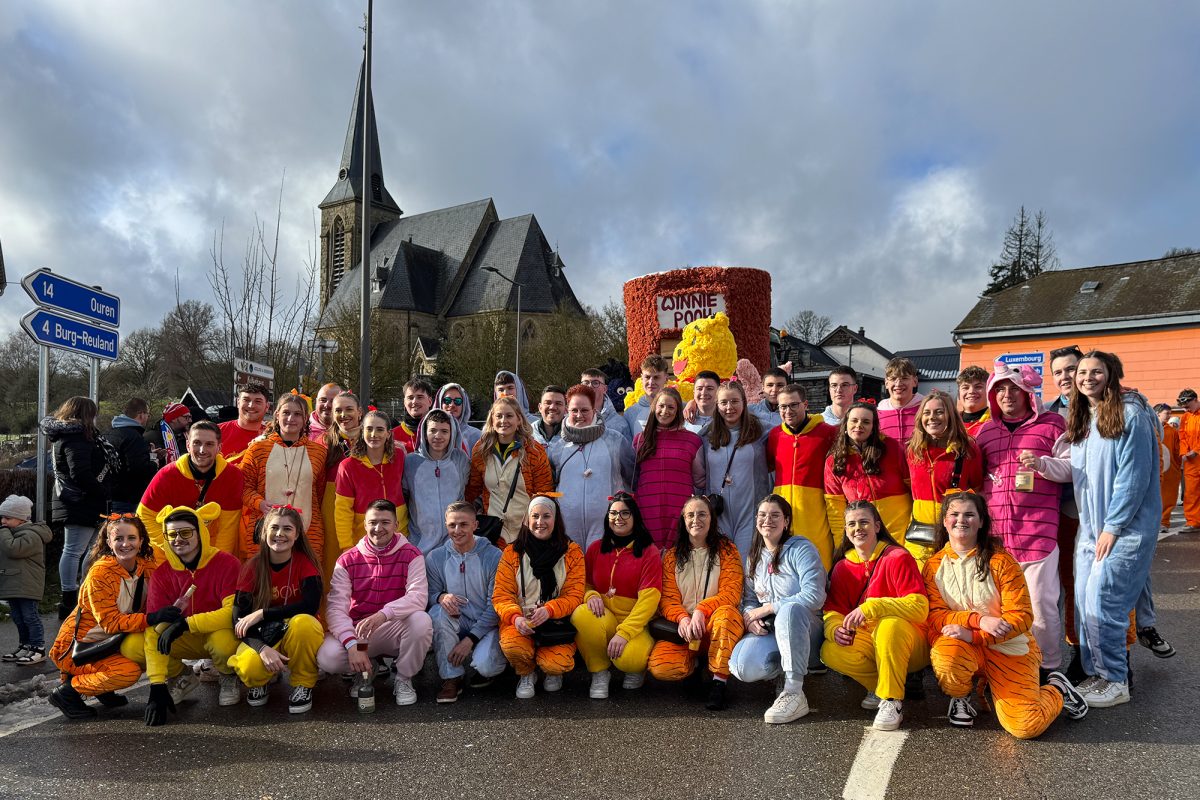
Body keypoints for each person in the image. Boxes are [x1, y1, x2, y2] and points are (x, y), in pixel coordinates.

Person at [1023, 352, 1164, 707]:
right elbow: (1076, 470)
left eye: (1093, 371)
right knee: (1085, 606)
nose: (1085, 377)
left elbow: (1134, 478)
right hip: (1090, 528)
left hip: (1122, 529)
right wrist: (1041, 464)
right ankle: (1099, 674)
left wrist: (1113, 527)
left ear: (1111, 374)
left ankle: (1117, 680)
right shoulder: (1086, 417)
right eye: (1081, 372)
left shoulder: (1132, 414)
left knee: (1105, 604)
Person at [924, 492, 1088, 736]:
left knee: (1025, 727)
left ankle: (1056, 690)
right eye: (954, 515)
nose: (962, 520)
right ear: (945, 521)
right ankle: (960, 696)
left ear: (981, 522)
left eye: (970, 514)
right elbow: (936, 615)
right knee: (946, 654)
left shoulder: (1001, 562)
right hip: (964, 647)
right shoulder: (933, 566)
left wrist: (976, 636)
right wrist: (978, 621)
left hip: (1009, 649)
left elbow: (1021, 617)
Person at [975, 359, 1066, 676]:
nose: (1006, 395)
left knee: (1041, 607)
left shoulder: (1053, 424)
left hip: (1038, 536)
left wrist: (1043, 465)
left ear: (1028, 391)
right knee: (997, 608)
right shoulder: (984, 432)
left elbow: (1071, 470)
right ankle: (1006, 668)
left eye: (1013, 388)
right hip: (997, 540)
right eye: (999, 389)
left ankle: (1049, 667)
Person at [821, 501, 929, 731]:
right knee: (830, 650)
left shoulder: (898, 557)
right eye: (851, 524)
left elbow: (920, 607)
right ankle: (885, 685)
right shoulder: (842, 567)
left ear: (877, 526)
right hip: (872, 643)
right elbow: (833, 612)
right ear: (847, 531)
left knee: (889, 626)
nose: (858, 528)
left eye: (864, 522)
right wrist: (834, 629)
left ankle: (891, 700)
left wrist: (873, 607)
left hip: (910, 643)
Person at [316, 500, 432, 707]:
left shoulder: (412, 554)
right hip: (359, 632)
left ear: (396, 525)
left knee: (421, 621)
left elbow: (418, 597)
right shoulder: (347, 559)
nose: (378, 529)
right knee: (327, 657)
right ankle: (365, 669)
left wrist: (384, 614)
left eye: (385, 522)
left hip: (392, 627)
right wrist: (352, 644)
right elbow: (335, 608)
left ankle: (404, 678)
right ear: (365, 524)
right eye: (373, 522)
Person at [46, 515, 163, 719]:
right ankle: (68, 692)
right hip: (80, 647)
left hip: (111, 643)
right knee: (129, 672)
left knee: (150, 650)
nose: (125, 544)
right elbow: (110, 623)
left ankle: (102, 688)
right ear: (108, 542)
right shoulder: (100, 573)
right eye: (118, 539)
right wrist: (152, 619)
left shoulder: (148, 568)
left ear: (142, 540)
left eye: (132, 538)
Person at [728, 494, 826, 724]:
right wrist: (750, 617)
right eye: (762, 515)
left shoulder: (801, 549)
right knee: (742, 666)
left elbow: (814, 596)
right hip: (773, 630)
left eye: (775, 515)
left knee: (790, 610)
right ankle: (783, 672)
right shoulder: (754, 557)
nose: (767, 520)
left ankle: (794, 691)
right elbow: (750, 599)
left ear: (786, 522)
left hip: (808, 629)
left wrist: (769, 608)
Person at [143, 503, 242, 725]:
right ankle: (182, 676)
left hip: (217, 633)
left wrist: (186, 623)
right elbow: (154, 628)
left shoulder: (227, 563)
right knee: (138, 644)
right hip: (185, 639)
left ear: (200, 532)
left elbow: (231, 614)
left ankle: (228, 676)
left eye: (186, 532)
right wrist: (156, 685)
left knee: (223, 643)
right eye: (172, 534)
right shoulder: (162, 574)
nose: (178, 539)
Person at [649, 496, 745, 710]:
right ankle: (693, 666)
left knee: (728, 615)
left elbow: (731, 593)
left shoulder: (727, 550)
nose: (696, 520)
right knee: (661, 667)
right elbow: (668, 599)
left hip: (714, 626)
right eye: (690, 515)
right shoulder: (673, 556)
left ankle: (718, 681)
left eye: (702, 514)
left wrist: (702, 610)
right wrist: (682, 618)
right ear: (683, 520)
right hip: (684, 630)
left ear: (711, 519)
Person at [226, 505, 324, 714]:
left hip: (294, 631)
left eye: (287, 529)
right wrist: (261, 649)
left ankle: (303, 684)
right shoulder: (252, 567)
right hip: (264, 635)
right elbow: (238, 620)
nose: (280, 534)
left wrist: (262, 613)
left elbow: (310, 606)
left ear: (297, 535)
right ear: (265, 532)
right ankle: (263, 679)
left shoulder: (306, 564)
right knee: (249, 669)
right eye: (274, 528)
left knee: (305, 623)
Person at [493, 495, 586, 698]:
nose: (540, 522)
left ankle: (551, 670)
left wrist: (550, 609)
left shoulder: (572, 552)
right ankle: (526, 672)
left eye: (546, 516)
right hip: (521, 620)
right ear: (527, 519)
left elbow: (575, 595)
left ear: (556, 520)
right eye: (534, 516)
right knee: (513, 646)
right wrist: (515, 618)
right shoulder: (512, 552)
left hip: (556, 622)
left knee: (556, 663)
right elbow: (502, 595)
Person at [572, 491, 662, 699]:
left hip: (635, 625)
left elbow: (649, 600)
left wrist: (625, 632)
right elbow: (582, 584)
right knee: (581, 614)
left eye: (625, 513)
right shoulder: (595, 549)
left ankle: (635, 669)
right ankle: (600, 672)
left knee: (628, 659)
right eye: (613, 513)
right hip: (605, 618)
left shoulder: (649, 552)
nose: (618, 518)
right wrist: (591, 595)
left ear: (635, 517)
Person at [426, 503, 506, 702]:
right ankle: (452, 677)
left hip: (486, 624)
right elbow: (429, 594)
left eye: (463, 524)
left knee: (486, 665)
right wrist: (440, 597)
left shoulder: (494, 556)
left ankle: (496, 668)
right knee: (436, 613)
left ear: (475, 525)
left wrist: (470, 639)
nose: (457, 530)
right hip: (457, 620)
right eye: (452, 525)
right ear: (446, 525)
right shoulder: (435, 557)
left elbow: (496, 604)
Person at [41, 396, 109, 619]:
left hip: (76, 500)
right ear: (86, 414)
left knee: (85, 550)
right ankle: (70, 598)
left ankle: (78, 594)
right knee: (75, 550)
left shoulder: (65, 436)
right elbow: (79, 472)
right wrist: (101, 491)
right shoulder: (77, 437)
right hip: (80, 501)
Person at [239, 394, 328, 562]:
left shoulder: (319, 452)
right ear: (277, 415)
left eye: (297, 414)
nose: (291, 418)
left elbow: (319, 492)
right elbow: (243, 487)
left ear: (305, 419)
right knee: (264, 580)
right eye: (286, 413)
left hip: (309, 530)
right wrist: (260, 503)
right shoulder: (257, 449)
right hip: (266, 528)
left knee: (307, 581)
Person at [138, 420, 244, 559]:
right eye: (197, 443)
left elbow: (227, 529)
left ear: (219, 448)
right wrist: (171, 548)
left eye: (209, 444)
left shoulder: (232, 476)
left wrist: (215, 562)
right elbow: (145, 516)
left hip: (211, 552)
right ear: (188, 445)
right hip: (170, 554)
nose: (202, 450)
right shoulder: (167, 475)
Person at [547, 384, 634, 550]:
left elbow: (631, 478)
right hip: (568, 527)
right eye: (574, 410)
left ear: (594, 410)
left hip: (607, 525)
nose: (579, 415)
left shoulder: (615, 441)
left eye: (585, 410)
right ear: (567, 411)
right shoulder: (557, 448)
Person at [905, 391, 983, 567]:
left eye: (939, 412)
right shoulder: (913, 451)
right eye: (927, 413)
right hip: (919, 536)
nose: (932, 417)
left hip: (956, 535)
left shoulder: (968, 451)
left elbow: (978, 491)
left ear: (951, 415)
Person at [1044, 345, 1085, 679]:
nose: (1065, 376)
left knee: (1099, 585)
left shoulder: (1109, 407)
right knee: (1066, 584)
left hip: (1099, 509)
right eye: (1058, 372)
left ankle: (1117, 656)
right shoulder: (1050, 413)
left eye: (1070, 369)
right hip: (1064, 508)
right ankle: (1075, 649)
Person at [767, 383, 839, 570]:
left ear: (805, 405)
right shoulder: (775, 435)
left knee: (818, 564)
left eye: (793, 405)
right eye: (783, 406)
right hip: (782, 514)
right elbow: (768, 466)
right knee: (783, 567)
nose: (788, 411)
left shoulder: (828, 433)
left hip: (816, 513)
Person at [824, 401, 913, 551]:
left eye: (866, 422)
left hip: (900, 533)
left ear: (873, 427)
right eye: (854, 420)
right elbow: (835, 509)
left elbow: (913, 489)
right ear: (845, 424)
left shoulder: (892, 448)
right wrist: (842, 544)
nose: (859, 425)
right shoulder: (834, 461)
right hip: (862, 536)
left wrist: (912, 528)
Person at [465, 396, 554, 546]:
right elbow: (472, 490)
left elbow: (544, 493)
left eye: (509, 416)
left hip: (526, 531)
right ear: (492, 420)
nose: (503, 420)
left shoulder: (534, 451)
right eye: (499, 416)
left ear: (519, 420)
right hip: (494, 532)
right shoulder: (481, 450)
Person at [701, 381, 770, 557]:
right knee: (723, 567)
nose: (729, 407)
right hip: (718, 512)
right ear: (717, 405)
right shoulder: (706, 435)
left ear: (744, 403)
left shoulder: (759, 431)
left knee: (746, 565)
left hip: (749, 511)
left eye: (734, 401)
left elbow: (785, 423)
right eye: (724, 402)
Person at [632, 386, 706, 549]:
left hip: (680, 508)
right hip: (647, 508)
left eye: (671, 407)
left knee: (677, 557)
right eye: (661, 406)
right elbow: (634, 476)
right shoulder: (640, 439)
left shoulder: (693, 440)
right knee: (650, 557)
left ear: (678, 410)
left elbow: (700, 479)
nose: (665, 411)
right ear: (654, 408)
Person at [334, 408, 408, 554]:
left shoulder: (399, 457)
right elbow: (342, 510)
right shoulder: (348, 466)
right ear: (362, 432)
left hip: (399, 537)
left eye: (380, 429)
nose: (374, 435)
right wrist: (346, 546)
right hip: (364, 541)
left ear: (388, 434)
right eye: (369, 429)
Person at [404, 410, 470, 554]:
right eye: (433, 430)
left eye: (444, 431)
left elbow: (468, 492)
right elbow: (404, 496)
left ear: (451, 434)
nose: (438, 436)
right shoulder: (411, 462)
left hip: (454, 543)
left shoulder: (460, 459)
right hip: (420, 544)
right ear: (424, 433)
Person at [1, 495, 52, 665]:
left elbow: (13, 549)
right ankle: (25, 645)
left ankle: (38, 647)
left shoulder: (32, 535)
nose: (3, 521)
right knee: (18, 616)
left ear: (21, 519)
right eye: (2, 517)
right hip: (14, 583)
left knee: (30, 616)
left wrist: (3, 532)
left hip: (28, 584)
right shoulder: (12, 533)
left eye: (7, 518)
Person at [320, 391, 363, 577]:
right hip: (332, 503)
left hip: (363, 502)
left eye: (349, 409)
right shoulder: (324, 441)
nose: (343, 415)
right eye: (338, 410)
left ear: (359, 412)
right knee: (333, 557)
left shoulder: (371, 438)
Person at [103, 397, 159, 513]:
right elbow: (138, 468)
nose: (148, 418)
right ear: (141, 415)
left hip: (109, 496)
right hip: (128, 499)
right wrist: (154, 463)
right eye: (148, 414)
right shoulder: (134, 437)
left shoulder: (109, 433)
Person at [219, 383, 270, 466]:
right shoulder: (217, 432)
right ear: (238, 402)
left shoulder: (274, 436)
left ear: (267, 407)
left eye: (258, 401)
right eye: (246, 400)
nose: (251, 405)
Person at [878, 357, 924, 444]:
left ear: (915, 381)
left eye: (904, 378)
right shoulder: (878, 413)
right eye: (893, 378)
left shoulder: (926, 409)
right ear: (886, 383)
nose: (898, 384)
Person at [624, 354, 672, 436]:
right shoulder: (630, 413)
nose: (651, 382)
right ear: (641, 378)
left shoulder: (681, 408)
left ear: (666, 378)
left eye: (656, 377)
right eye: (647, 377)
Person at [581, 368, 632, 442]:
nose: (590, 386)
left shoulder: (620, 424)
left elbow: (627, 452)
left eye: (595, 383)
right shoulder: (571, 419)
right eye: (586, 383)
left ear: (605, 389)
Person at [1156, 403, 1183, 531]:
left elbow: (1177, 450)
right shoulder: (1148, 428)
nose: (1169, 416)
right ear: (1157, 413)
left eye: (1170, 413)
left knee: (1167, 497)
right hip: (1151, 469)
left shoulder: (1171, 431)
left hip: (1169, 469)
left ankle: (1164, 522)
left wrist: (1176, 467)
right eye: (1167, 413)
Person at [435, 382, 482, 454]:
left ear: (464, 405)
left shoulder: (476, 436)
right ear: (440, 403)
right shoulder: (430, 434)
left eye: (458, 401)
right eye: (447, 400)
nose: (451, 405)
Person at [392, 377, 435, 453]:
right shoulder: (392, 436)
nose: (414, 401)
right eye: (410, 398)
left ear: (430, 401)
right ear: (404, 403)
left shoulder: (443, 433)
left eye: (420, 397)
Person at [145, 402, 193, 468]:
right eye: (186, 417)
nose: (190, 420)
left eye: (190, 417)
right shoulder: (151, 437)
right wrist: (154, 456)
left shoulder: (187, 436)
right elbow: (143, 461)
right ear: (173, 419)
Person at [1179, 388, 1200, 530]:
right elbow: (1182, 437)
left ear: (1195, 400)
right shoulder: (1185, 417)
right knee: (1191, 492)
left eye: (1187, 405)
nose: (1185, 409)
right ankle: (1193, 522)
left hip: (1196, 454)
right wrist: (1184, 453)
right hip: (1191, 461)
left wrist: (1197, 450)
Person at [956, 365, 991, 436]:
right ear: (959, 393)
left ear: (988, 391)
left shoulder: (997, 422)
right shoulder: (949, 422)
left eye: (978, 387)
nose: (971, 391)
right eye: (965, 387)